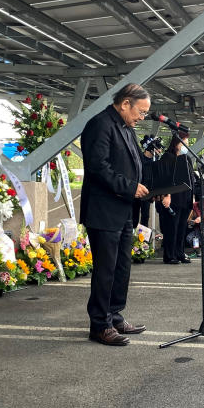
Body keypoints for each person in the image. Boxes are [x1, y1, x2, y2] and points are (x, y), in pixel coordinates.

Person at [79, 83, 151, 346]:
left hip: (123, 210)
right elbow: (98, 168)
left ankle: (114, 314)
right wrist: (130, 187)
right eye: (140, 112)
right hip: (103, 210)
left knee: (122, 267)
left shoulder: (126, 128)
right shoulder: (100, 124)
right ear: (124, 104)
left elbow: (134, 165)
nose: (141, 118)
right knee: (105, 270)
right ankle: (99, 324)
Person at [155, 133, 194, 265]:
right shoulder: (168, 157)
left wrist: (192, 197)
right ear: (176, 143)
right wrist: (166, 195)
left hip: (185, 198)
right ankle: (169, 255)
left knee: (182, 228)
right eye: (184, 143)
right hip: (172, 198)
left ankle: (180, 252)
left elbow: (191, 179)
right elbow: (164, 177)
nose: (186, 146)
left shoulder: (186, 159)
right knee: (172, 227)